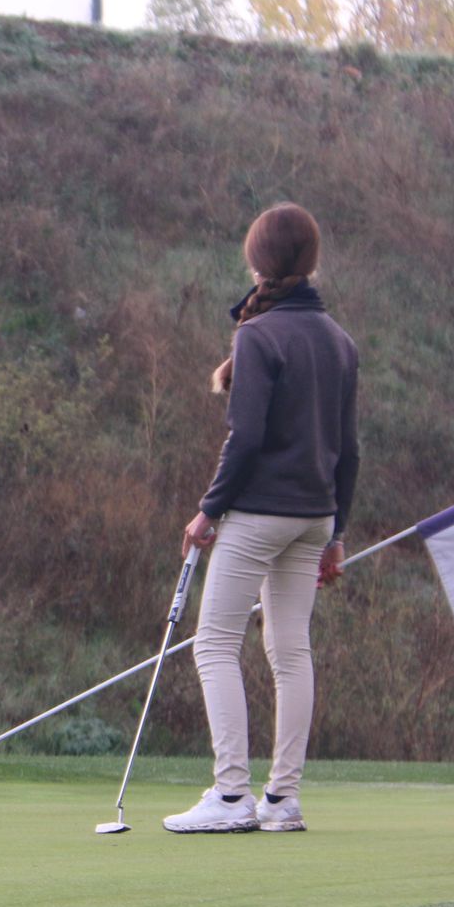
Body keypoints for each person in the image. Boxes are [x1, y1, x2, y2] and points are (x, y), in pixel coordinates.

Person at [167, 203, 360, 834]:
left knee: (215, 644)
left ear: (259, 261)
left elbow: (243, 439)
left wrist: (207, 511)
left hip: (260, 515)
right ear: (310, 262)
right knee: (289, 650)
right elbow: (349, 451)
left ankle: (229, 798)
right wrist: (336, 536)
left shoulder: (257, 336)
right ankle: (283, 800)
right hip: (313, 518)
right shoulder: (339, 341)